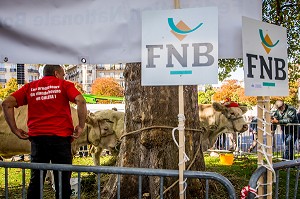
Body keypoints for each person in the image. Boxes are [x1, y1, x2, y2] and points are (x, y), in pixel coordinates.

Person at [1, 65, 87, 199]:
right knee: (63, 182)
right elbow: (80, 100)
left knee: (36, 181)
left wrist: (14, 129)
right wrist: (81, 126)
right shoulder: (64, 85)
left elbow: (6, 103)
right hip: (61, 140)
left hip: (38, 140)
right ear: (56, 73)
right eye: (63, 74)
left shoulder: (30, 87)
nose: (64, 77)